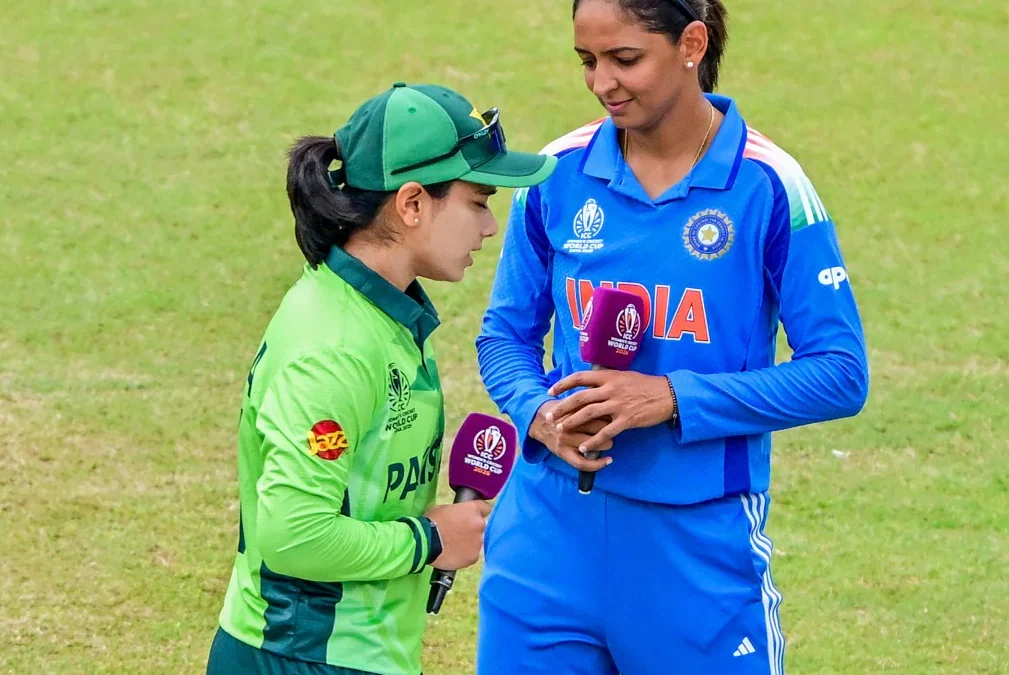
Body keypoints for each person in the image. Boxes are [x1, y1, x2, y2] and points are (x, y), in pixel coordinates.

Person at [475, 0, 868, 673]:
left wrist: (671, 397)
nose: (603, 83)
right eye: (587, 62)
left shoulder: (770, 185)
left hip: (694, 554)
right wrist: (538, 414)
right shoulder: (558, 172)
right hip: (543, 545)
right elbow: (504, 335)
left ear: (692, 43)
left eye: (626, 59)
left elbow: (839, 371)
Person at [208, 82, 556, 675]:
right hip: (304, 657)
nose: (491, 226)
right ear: (413, 203)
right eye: (478, 200)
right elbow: (293, 536)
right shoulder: (335, 347)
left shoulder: (384, 315)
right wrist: (429, 539)